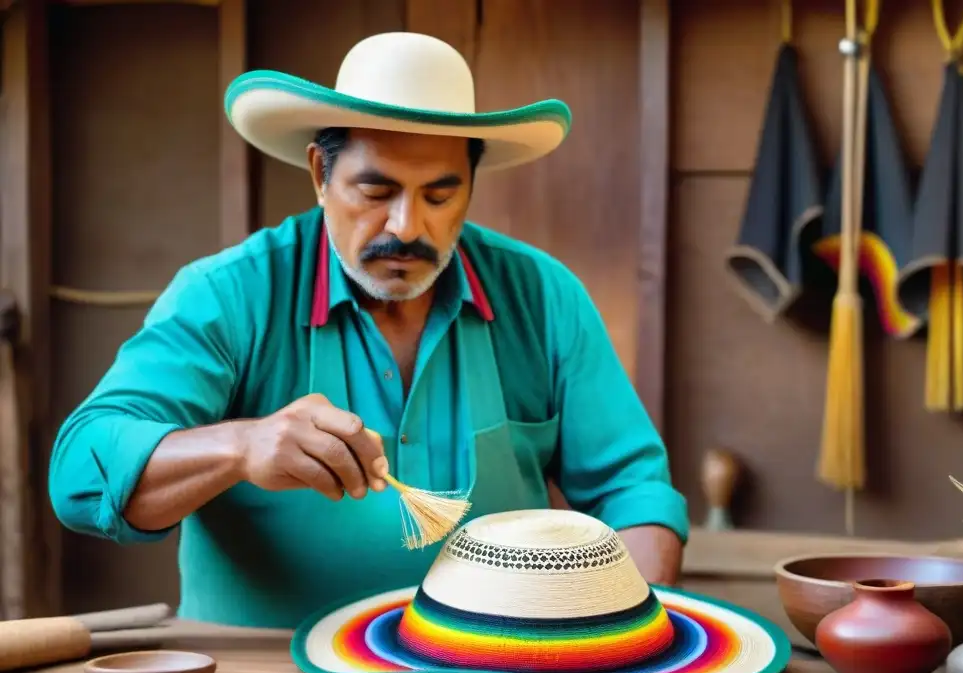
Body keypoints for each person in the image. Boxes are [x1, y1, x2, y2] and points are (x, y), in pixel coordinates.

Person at [48, 32, 688, 629]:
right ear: (319, 175)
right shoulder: (229, 295)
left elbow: (633, 493)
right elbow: (82, 470)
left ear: (471, 185)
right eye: (375, 190)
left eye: (440, 197)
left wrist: (623, 642)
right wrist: (242, 446)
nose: (407, 227)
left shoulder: (542, 298)